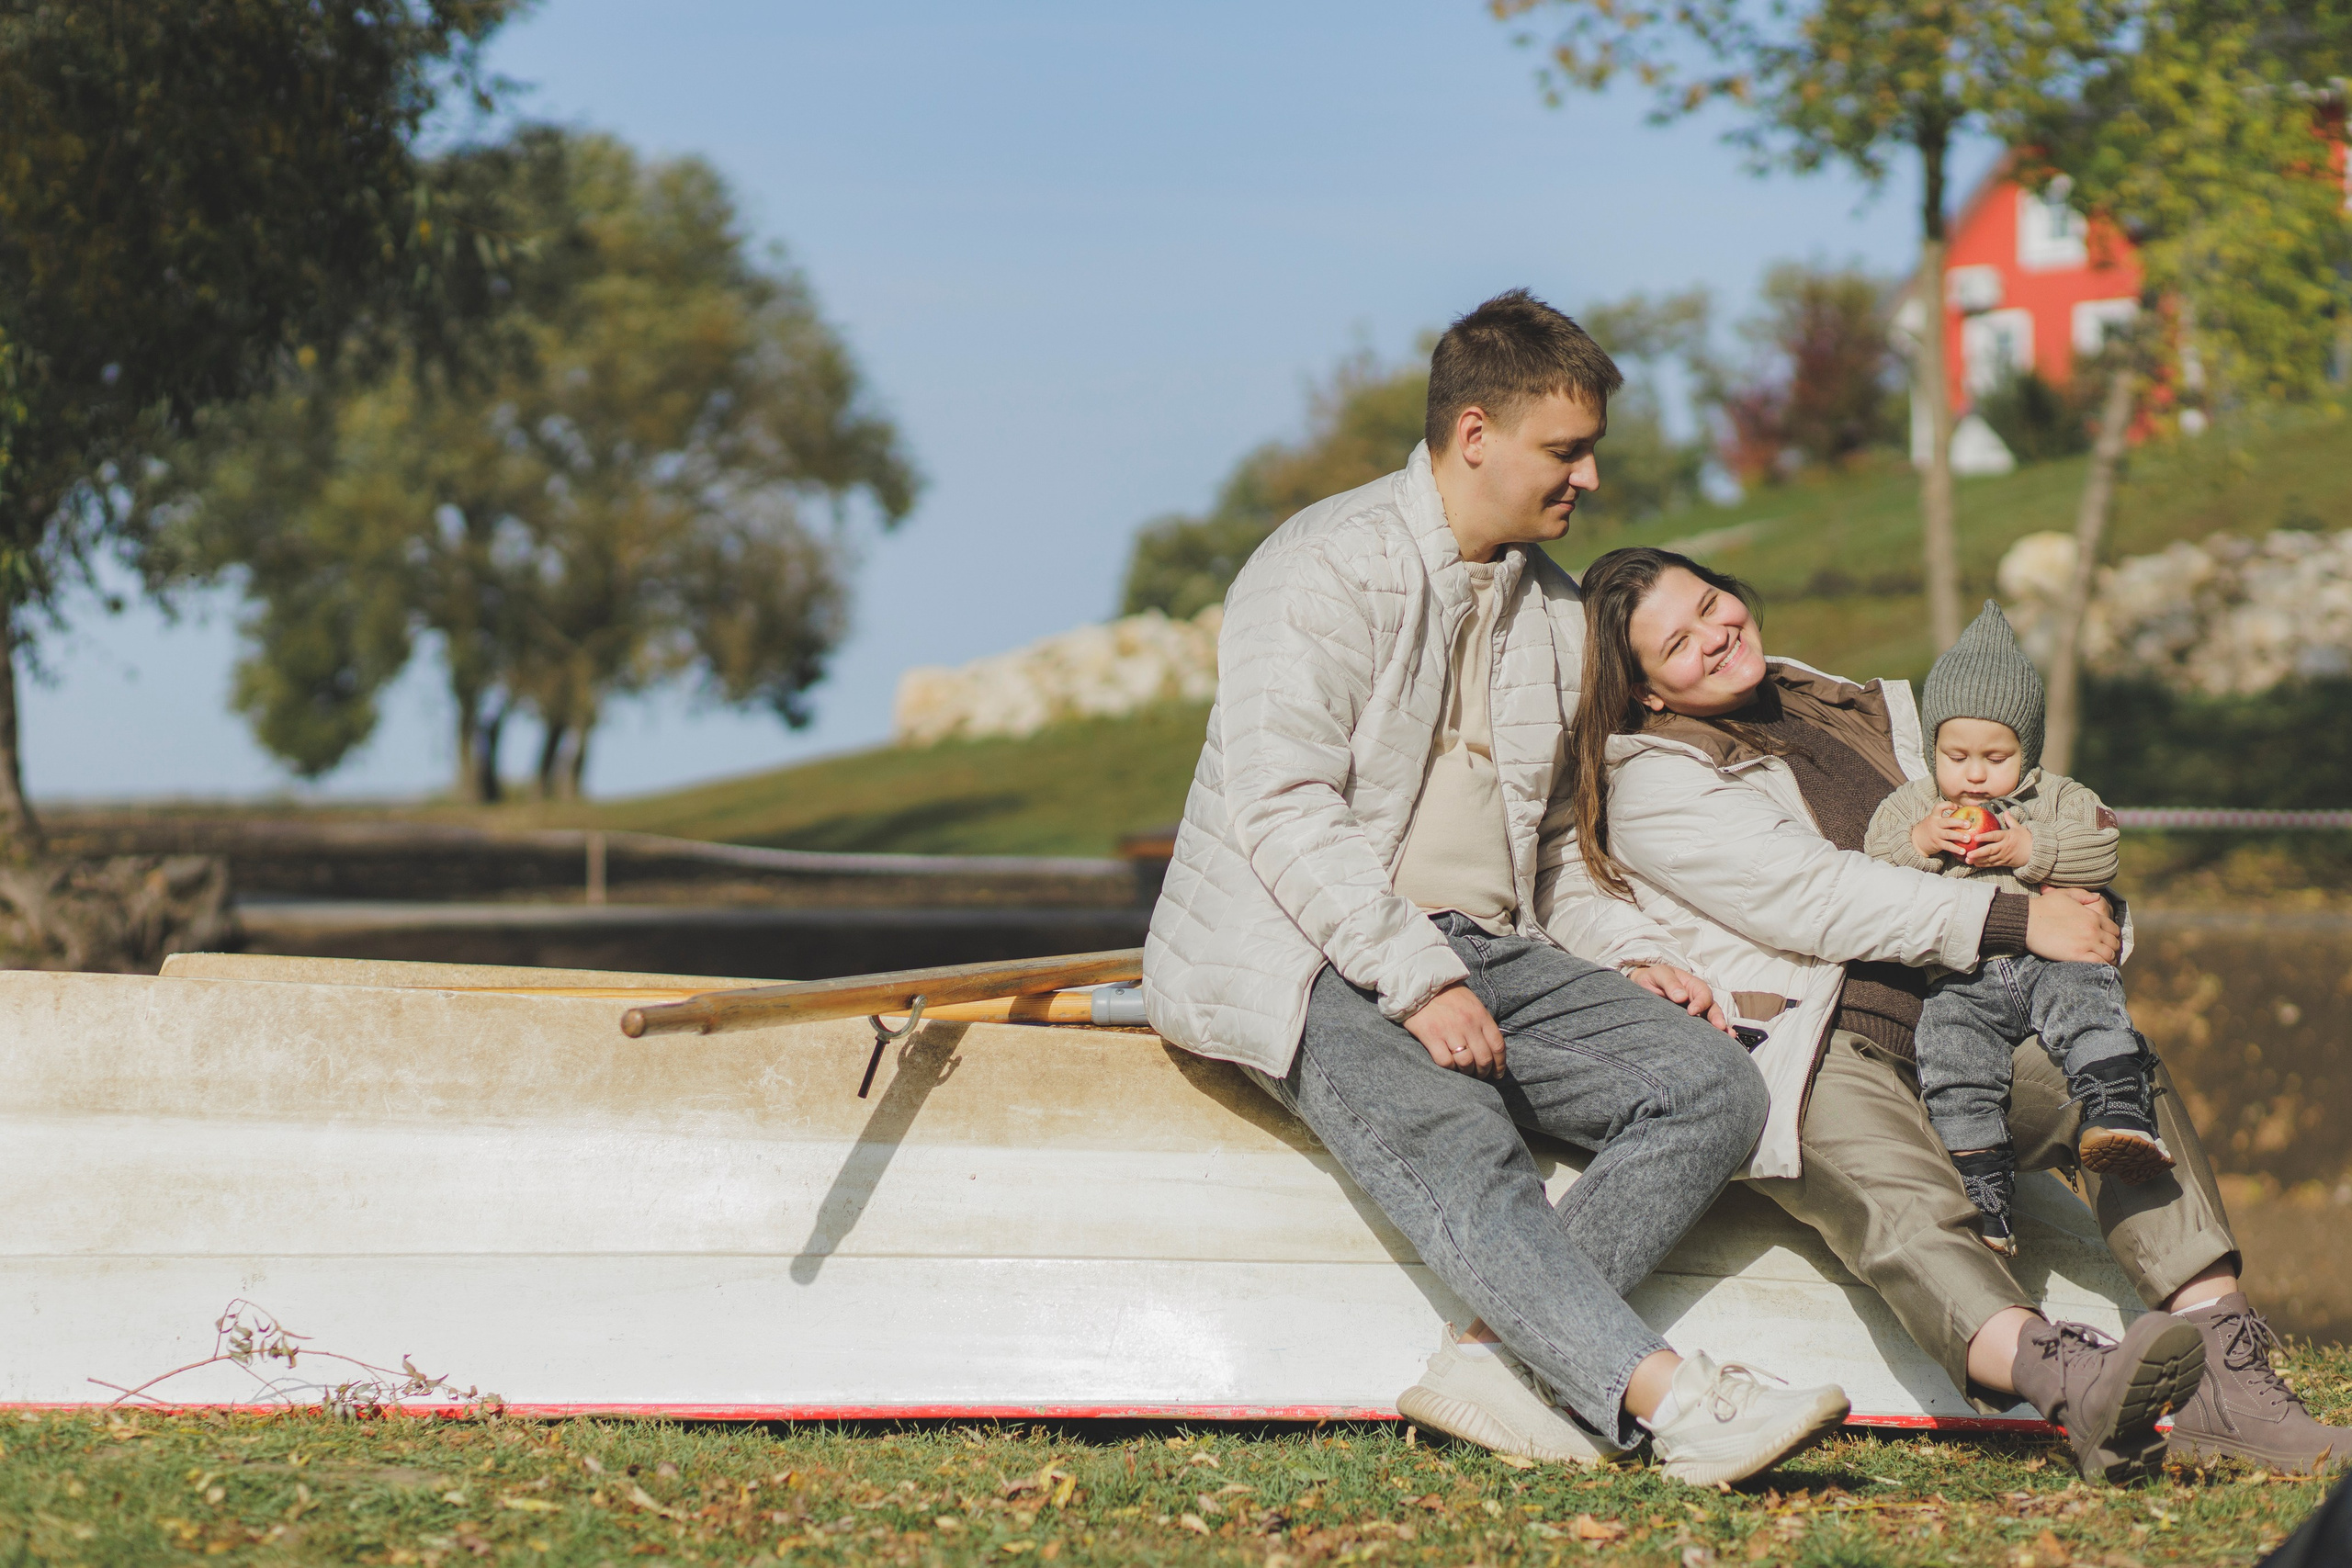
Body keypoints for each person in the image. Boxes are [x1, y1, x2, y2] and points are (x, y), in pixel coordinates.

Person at [1145, 291, 1850, 1485]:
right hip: (1300, 948)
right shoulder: (1320, 567)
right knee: (1465, 1133)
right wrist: (1417, 980)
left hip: (1483, 945)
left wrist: (1623, 952)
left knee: (1710, 1086)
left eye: (1590, 453)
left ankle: (1490, 1356)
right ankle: (1677, 1402)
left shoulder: (1559, 614)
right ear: (1476, 434)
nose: (1587, 481)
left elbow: (1554, 854)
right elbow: (1283, 806)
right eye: (1565, 451)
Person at [1565, 544, 2348, 1481]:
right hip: (1821, 1038)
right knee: (1901, 1204)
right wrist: (2024, 918)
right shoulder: (1652, 778)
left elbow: (2025, 810)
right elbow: (1819, 897)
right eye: (1678, 641)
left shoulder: (1849, 703)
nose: (1714, 633)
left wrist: (2083, 909)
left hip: (1967, 1007)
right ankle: (2070, 1386)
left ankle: (2228, 1371)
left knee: (2105, 1073)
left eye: (1710, 603)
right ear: (1646, 689)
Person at [1862, 601, 2169, 1256]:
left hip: (2048, 961)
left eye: (1995, 756)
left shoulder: (2056, 795)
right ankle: (1982, 1188)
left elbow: (2102, 846)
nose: (1974, 774)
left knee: (2088, 1001)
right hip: (1960, 979)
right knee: (1949, 1059)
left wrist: (2029, 848)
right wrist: (1920, 840)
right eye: (1957, 754)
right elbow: (1871, 864)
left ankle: (2117, 1105)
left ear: (2026, 750)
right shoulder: (1917, 803)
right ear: (1932, 747)